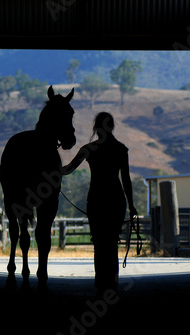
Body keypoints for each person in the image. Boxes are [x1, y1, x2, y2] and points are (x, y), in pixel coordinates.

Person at [62, 112, 137, 293]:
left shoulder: (88, 149)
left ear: (96, 128)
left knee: (99, 242)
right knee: (111, 241)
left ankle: (101, 282)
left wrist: (51, 171)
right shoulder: (121, 149)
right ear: (111, 127)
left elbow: (68, 170)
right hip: (116, 200)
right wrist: (131, 204)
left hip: (96, 199)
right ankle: (112, 282)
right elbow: (125, 179)